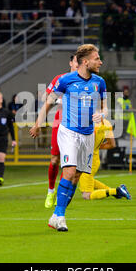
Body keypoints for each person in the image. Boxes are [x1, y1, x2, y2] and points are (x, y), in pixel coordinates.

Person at [29, 44, 107, 232]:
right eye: (97, 58)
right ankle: (61, 217)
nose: (100, 61)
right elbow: (48, 104)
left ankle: (56, 215)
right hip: (69, 132)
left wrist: (102, 115)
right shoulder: (65, 80)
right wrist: (37, 124)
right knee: (69, 172)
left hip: (88, 134)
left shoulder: (99, 82)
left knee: (77, 176)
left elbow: (105, 106)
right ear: (85, 61)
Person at [44, 54, 79, 208]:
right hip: (61, 123)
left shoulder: (87, 80)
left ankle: (62, 195)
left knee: (73, 166)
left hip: (78, 125)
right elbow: (47, 97)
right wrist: (59, 100)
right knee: (55, 159)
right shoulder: (61, 79)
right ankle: (51, 191)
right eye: (76, 61)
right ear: (70, 62)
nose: (78, 64)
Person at [79, 118, 131, 201]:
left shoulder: (87, 122)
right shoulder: (106, 124)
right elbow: (112, 144)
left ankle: (116, 191)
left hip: (87, 161)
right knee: (85, 179)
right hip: (94, 159)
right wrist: (96, 147)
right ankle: (116, 191)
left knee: (86, 195)